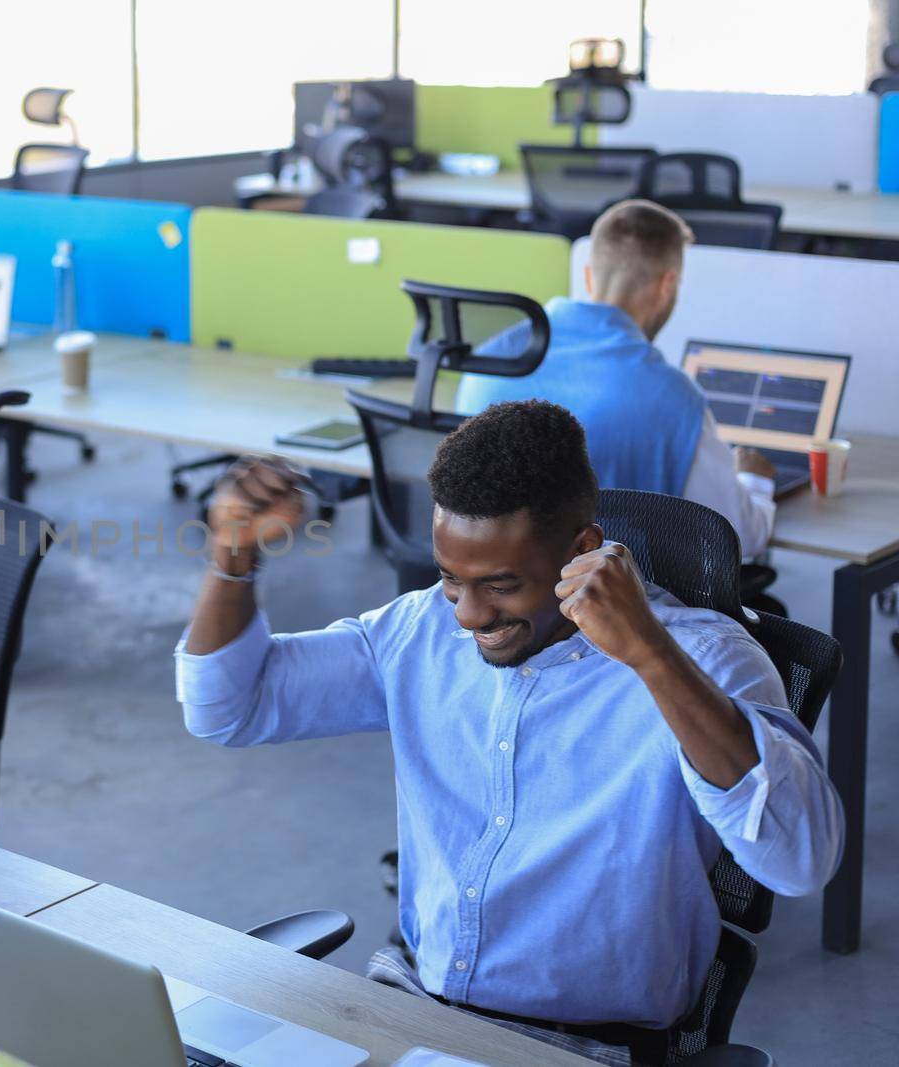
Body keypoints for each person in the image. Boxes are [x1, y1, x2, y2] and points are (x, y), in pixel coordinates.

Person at [175, 401, 841, 1066]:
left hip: (581, 1047)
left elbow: (801, 858)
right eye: (450, 579)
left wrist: (650, 655)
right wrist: (232, 556)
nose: (467, 614)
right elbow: (232, 705)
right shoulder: (420, 630)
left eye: (499, 585)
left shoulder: (705, 659)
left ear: (583, 551)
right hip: (407, 1010)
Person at [455, 199, 777, 561]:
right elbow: (740, 539)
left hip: (482, 588)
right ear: (667, 286)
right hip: (600, 602)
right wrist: (755, 482)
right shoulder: (670, 396)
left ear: (589, 275)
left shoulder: (496, 355)